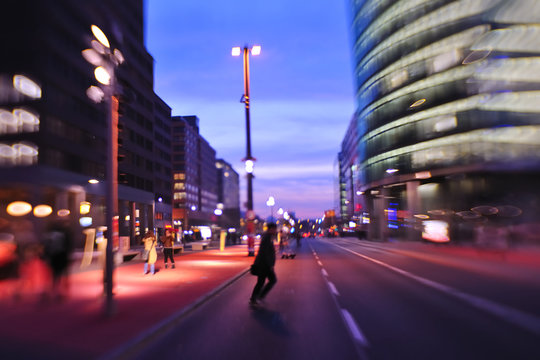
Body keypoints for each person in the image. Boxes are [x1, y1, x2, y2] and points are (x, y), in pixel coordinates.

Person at [249, 223, 278, 306]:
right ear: (270, 229)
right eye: (274, 229)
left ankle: (257, 297)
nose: (275, 231)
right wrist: (270, 265)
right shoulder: (266, 238)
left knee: (262, 282)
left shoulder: (268, 237)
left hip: (264, 264)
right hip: (264, 265)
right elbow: (265, 253)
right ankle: (255, 298)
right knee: (266, 281)